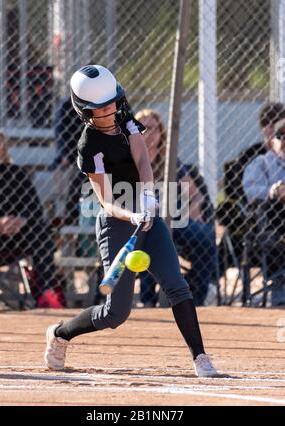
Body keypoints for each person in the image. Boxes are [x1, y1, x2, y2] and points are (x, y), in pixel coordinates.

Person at [44, 64, 219, 377]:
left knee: (177, 286)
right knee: (115, 314)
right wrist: (133, 213)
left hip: (147, 214)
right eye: (102, 106)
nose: (112, 107)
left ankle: (201, 357)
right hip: (117, 222)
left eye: (113, 100)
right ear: (86, 111)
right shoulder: (89, 145)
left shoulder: (126, 119)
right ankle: (60, 333)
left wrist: (149, 197)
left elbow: (142, 159)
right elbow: (107, 201)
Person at [135, 109, 217, 307]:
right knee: (151, 236)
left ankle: (195, 297)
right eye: (142, 128)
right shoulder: (130, 160)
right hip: (141, 221)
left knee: (206, 237)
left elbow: (196, 195)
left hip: (174, 220)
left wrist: (194, 210)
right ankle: (148, 300)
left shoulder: (170, 161)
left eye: (153, 128)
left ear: (162, 132)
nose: (148, 133)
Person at [0, 125, 64, 308]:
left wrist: (20, 221)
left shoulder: (15, 174)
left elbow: (34, 209)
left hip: (15, 237)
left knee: (41, 231)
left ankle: (46, 293)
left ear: (4, 149)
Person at [243, 116, 285, 306]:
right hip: (272, 223)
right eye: (280, 135)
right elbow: (250, 191)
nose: (284, 140)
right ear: (271, 140)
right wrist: (273, 191)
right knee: (269, 205)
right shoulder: (261, 163)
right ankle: (280, 284)